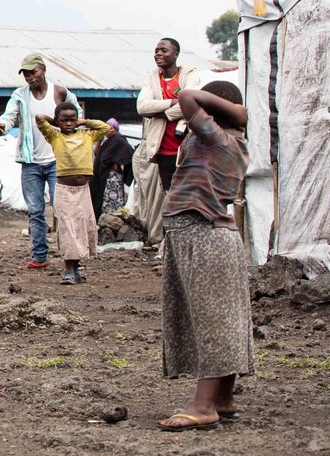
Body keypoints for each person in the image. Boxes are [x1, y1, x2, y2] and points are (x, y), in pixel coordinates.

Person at [156, 82, 251, 432]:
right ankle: (223, 398)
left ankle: (204, 405)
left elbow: (187, 97)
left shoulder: (217, 136)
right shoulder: (227, 139)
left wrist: (236, 111)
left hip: (203, 235)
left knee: (212, 322)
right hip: (205, 236)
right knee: (221, 318)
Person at [0, 53, 82, 269]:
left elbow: (77, 113)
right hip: (31, 160)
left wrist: (73, 133)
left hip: (57, 159)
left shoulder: (59, 92)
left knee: (63, 208)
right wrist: (2, 125)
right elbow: (8, 115)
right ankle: (40, 255)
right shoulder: (20, 95)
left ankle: (71, 256)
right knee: (35, 209)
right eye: (26, 73)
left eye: (34, 72)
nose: (30, 77)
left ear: (43, 70)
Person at [133, 38, 200, 247]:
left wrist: (162, 113)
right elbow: (142, 107)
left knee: (188, 196)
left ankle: (190, 241)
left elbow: (190, 102)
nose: (158, 54)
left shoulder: (189, 75)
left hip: (187, 147)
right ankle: (174, 244)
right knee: (171, 197)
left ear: (176, 54)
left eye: (164, 50)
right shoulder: (152, 77)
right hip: (163, 149)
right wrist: (173, 102)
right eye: (156, 50)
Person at [34, 106, 112, 285]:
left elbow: (105, 128)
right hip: (64, 191)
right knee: (68, 229)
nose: (69, 123)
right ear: (57, 120)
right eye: (64, 120)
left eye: (73, 119)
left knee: (81, 228)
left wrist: (84, 121)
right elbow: (39, 118)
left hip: (83, 190)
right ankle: (68, 270)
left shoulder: (87, 135)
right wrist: (54, 123)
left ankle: (76, 266)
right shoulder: (55, 136)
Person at [91, 118, 133, 217]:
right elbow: (98, 155)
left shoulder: (118, 140)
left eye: (109, 128)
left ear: (115, 129)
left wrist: (117, 163)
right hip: (103, 174)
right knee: (102, 197)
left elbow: (128, 153)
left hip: (113, 176)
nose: (107, 130)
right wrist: (99, 140)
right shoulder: (107, 141)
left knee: (112, 200)